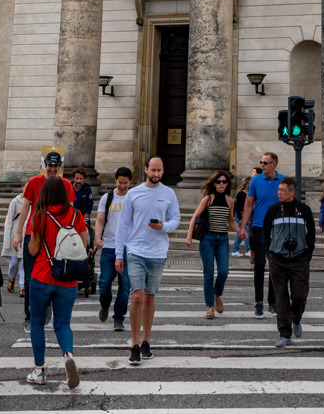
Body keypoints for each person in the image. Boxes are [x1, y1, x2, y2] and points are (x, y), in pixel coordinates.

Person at [115, 156, 179, 365]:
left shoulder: (168, 193)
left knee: (150, 298)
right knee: (137, 298)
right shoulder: (133, 194)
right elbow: (123, 225)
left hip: (158, 252)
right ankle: (134, 344)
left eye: (159, 171)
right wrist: (118, 254)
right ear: (145, 170)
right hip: (136, 251)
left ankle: (146, 341)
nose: (156, 174)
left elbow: (176, 219)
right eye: (153, 170)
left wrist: (164, 226)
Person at [26, 175, 85, 389]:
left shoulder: (40, 216)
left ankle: (39, 371)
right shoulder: (76, 214)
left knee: (37, 322)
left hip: (42, 275)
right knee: (62, 324)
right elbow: (83, 244)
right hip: (68, 278)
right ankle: (68, 355)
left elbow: (32, 249)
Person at [13, 151, 75, 318]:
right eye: (50, 166)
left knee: (53, 276)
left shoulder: (66, 184)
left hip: (55, 237)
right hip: (33, 234)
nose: (52, 169)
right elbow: (25, 208)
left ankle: (45, 307)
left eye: (55, 166)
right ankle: (29, 314)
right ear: (44, 165)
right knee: (29, 277)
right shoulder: (34, 182)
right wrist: (18, 233)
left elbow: (71, 210)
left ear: (60, 167)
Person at [261, 176, 316, 348]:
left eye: (282, 191)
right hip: (278, 258)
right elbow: (265, 233)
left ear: (292, 192)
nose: (279, 193)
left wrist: (308, 254)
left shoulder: (304, 210)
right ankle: (284, 333)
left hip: (300, 258)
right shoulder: (273, 210)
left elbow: (311, 234)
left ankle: (296, 318)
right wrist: (269, 252)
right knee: (281, 296)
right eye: (278, 190)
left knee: (300, 294)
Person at [184, 169, 236, 319]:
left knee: (224, 271)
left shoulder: (230, 201)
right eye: (218, 181)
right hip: (207, 239)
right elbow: (195, 217)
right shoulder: (208, 199)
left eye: (224, 182)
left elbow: (231, 221)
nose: (221, 184)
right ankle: (210, 307)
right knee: (208, 274)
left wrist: (241, 231)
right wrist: (189, 236)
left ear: (227, 184)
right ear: (214, 183)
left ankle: (217, 294)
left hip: (223, 239)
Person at [240, 151, 283, 317]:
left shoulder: (282, 180)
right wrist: (242, 228)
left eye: (265, 163)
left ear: (274, 165)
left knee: (274, 266)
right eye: (261, 162)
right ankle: (259, 302)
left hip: (277, 229)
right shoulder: (256, 181)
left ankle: (273, 302)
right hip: (258, 228)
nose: (262, 165)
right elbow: (248, 205)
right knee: (259, 265)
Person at [95, 166, 133, 331]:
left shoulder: (133, 198)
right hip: (109, 246)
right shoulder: (107, 197)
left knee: (125, 285)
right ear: (115, 181)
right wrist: (97, 237)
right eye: (120, 183)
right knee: (104, 282)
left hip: (128, 247)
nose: (122, 186)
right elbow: (100, 220)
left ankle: (119, 318)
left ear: (130, 182)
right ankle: (104, 304)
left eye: (125, 183)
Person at [71, 168, 96, 298]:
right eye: (77, 179)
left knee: (86, 235)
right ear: (73, 178)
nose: (79, 181)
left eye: (81, 179)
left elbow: (90, 204)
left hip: (83, 219)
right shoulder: (69, 187)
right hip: (71, 219)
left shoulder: (87, 189)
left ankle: (88, 250)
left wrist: (85, 215)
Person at [1, 194, 25, 294]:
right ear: (22, 187)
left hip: (26, 235)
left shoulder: (34, 201)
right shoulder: (15, 201)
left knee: (24, 264)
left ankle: (22, 286)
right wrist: (7, 238)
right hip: (15, 235)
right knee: (14, 263)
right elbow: (9, 220)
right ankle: (12, 277)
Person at [232, 176, 251, 257]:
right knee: (245, 232)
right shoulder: (241, 194)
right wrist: (240, 218)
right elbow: (237, 208)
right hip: (240, 214)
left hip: (244, 214)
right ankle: (247, 249)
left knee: (241, 232)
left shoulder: (248, 194)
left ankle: (235, 250)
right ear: (247, 185)